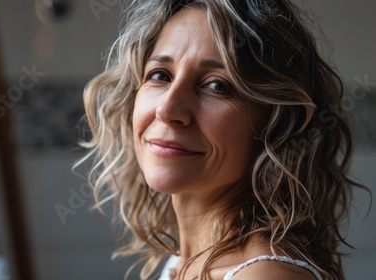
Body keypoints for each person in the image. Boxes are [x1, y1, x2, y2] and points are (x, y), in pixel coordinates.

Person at [76, 0, 368, 279]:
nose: (167, 109)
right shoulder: (185, 260)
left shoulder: (265, 276)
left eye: (217, 85)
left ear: (276, 123)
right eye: (160, 75)